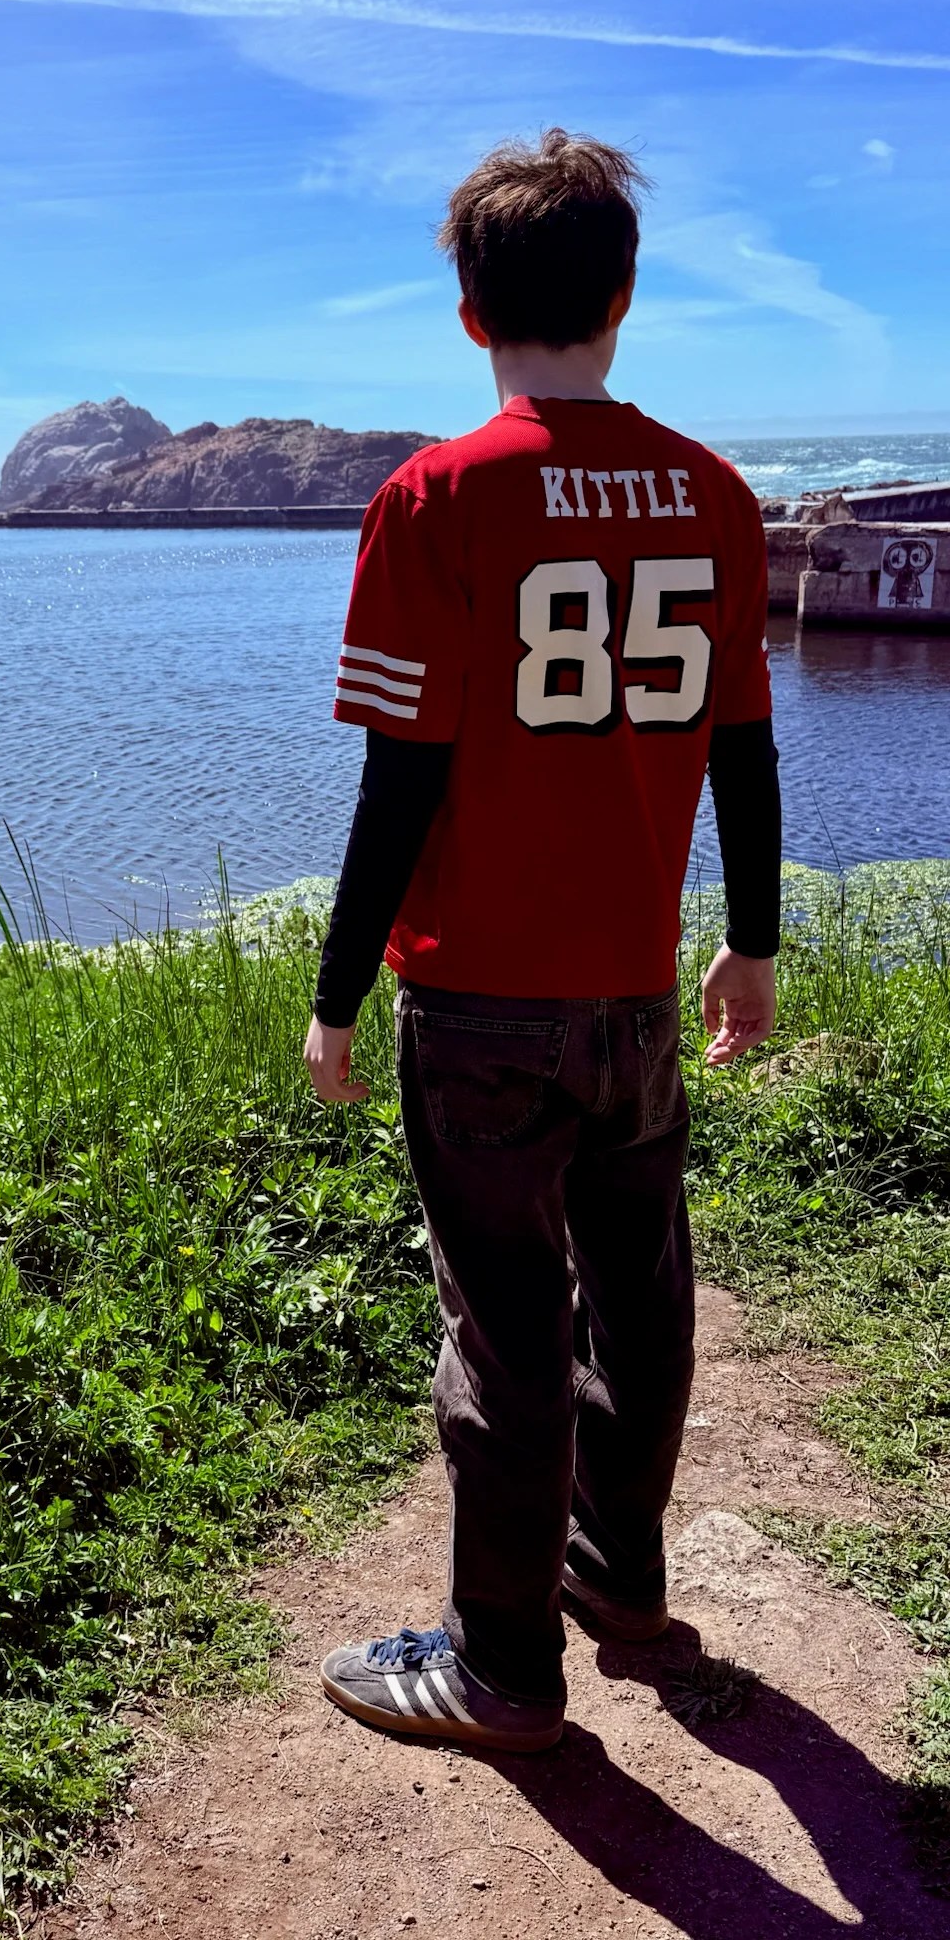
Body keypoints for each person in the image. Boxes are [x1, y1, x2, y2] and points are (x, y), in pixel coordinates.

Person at [306, 129, 781, 1754]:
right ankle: (617, 1577)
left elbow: (400, 774)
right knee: (640, 1295)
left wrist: (337, 990)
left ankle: (504, 1668)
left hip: (480, 1006)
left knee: (504, 1322)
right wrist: (756, 944)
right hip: (633, 993)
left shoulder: (433, 498)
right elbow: (744, 746)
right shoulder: (717, 496)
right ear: (627, 299)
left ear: (466, 311)